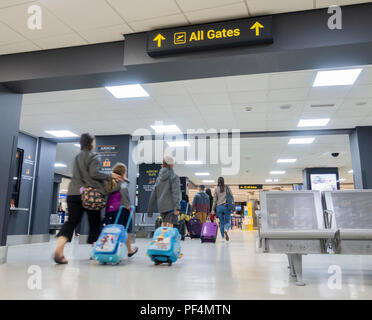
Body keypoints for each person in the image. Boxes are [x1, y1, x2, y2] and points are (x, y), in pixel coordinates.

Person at [53, 133, 123, 264]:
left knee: (71, 222)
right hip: (90, 194)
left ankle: (59, 249)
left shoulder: (77, 157)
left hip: (73, 193)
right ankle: (95, 252)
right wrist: (110, 175)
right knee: (94, 223)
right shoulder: (94, 156)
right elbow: (94, 173)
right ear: (91, 143)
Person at [104, 162, 138, 257]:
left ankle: (107, 247)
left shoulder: (110, 182)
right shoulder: (122, 183)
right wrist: (127, 206)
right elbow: (124, 193)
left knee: (110, 230)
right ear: (123, 172)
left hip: (109, 211)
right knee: (125, 230)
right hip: (120, 210)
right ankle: (129, 250)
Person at [148, 155, 181, 228]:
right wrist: (177, 208)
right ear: (172, 165)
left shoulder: (158, 178)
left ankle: (163, 238)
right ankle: (167, 239)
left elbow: (153, 194)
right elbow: (176, 193)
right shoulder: (174, 176)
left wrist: (150, 211)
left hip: (161, 206)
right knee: (170, 225)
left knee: (164, 224)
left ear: (163, 165)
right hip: (171, 206)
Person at [212, 177, 233, 242]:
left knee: (221, 223)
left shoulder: (216, 189)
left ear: (218, 181)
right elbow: (231, 196)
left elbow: (214, 200)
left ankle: (223, 238)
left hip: (219, 208)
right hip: (226, 207)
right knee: (227, 222)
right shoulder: (227, 187)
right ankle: (226, 230)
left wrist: (213, 209)